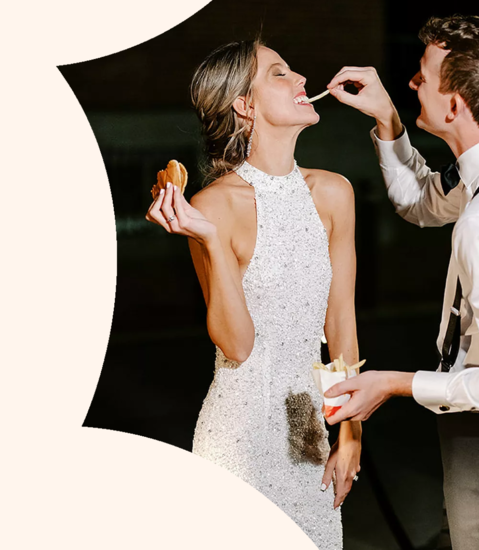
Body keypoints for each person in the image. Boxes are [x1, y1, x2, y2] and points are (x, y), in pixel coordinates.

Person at [323, 15, 479, 550]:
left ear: (455, 105)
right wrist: (390, 119)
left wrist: (395, 383)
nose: (412, 82)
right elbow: (421, 203)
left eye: (422, 75)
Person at [146, 40, 362, 550]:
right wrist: (213, 242)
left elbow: (340, 326)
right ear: (245, 105)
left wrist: (350, 433)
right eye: (280, 74)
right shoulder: (214, 205)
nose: (301, 79)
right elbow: (237, 347)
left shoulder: (335, 193)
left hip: (308, 435)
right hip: (236, 444)